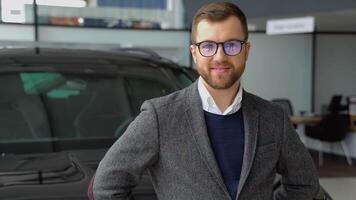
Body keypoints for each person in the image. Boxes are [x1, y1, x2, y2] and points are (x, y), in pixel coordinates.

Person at [92, 2, 319, 200]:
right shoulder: (160, 116)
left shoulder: (273, 117)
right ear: (194, 52)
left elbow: (304, 183)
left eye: (231, 45)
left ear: (246, 50)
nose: (220, 56)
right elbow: (107, 186)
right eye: (208, 46)